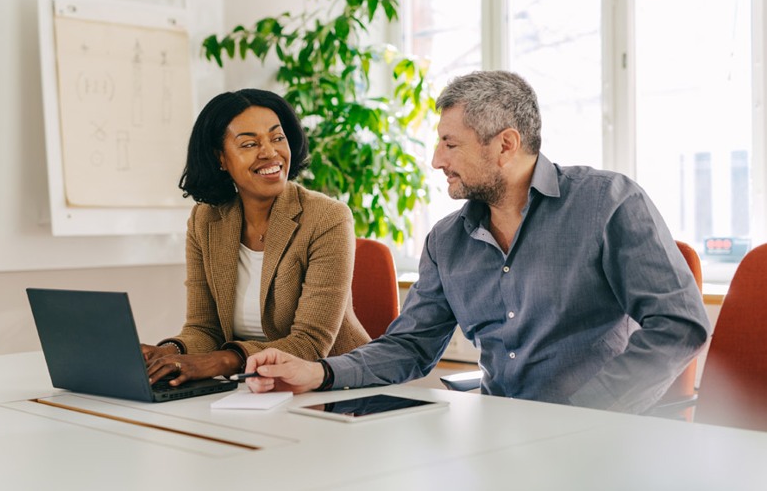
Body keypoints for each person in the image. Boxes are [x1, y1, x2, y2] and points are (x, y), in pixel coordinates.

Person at [243, 70, 711, 414]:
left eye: (451, 144)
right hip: (500, 439)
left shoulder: (607, 203)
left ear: (505, 145)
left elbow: (679, 324)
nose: (434, 160)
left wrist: (586, 413)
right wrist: (319, 372)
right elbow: (409, 347)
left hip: (600, 439)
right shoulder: (447, 241)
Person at [141, 89, 370, 386]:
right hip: (253, 389)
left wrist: (221, 361)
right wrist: (166, 353)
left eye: (277, 138)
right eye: (249, 143)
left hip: (335, 387)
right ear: (220, 159)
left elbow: (310, 343)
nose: (270, 152)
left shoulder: (327, 218)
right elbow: (203, 328)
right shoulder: (206, 220)